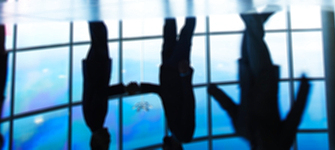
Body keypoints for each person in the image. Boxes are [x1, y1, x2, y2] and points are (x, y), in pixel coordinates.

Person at [208, 13, 310, 149]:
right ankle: (247, 4)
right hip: (264, 76)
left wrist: (215, 92)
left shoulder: (243, 131)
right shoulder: (280, 142)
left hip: (248, 74)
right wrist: (304, 88)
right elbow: (294, 117)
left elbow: (230, 108)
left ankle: (259, 15)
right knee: (253, 36)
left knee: (250, 35)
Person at [138, 17, 196, 146]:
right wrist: (185, 76)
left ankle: (187, 1)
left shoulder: (177, 132)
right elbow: (188, 103)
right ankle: (187, 1)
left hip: (171, 72)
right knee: (183, 35)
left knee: (179, 34)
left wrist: (142, 87)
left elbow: (166, 95)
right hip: (175, 73)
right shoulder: (183, 134)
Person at [82, 21, 139, 150]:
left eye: (106, 142)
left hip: (97, 70)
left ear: (96, 140)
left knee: (99, 34)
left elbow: (100, 92)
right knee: (98, 36)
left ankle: (93, 9)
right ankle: (93, 10)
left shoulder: (95, 120)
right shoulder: (94, 122)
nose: (109, 138)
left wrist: (124, 89)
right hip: (95, 70)